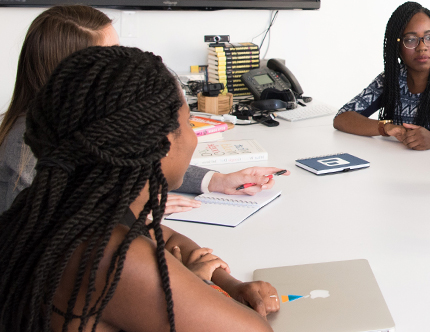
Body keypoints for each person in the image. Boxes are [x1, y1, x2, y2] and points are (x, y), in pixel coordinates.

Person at [0, 46, 275, 331]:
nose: (193, 138)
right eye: (189, 123)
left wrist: (227, 282)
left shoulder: (49, 209)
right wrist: (196, 284)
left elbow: (161, 235)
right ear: (163, 142)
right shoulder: (114, 258)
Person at [0, 5, 287, 214]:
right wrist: (135, 211)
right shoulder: (21, 150)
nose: (124, 65)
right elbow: (32, 236)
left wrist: (216, 180)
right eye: (111, 57)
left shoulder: (89, 123)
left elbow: (140, 160)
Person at [334, 1, 430, 153]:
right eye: (410, 39)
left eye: (429, 37)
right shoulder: (392, 79)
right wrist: (386, 128)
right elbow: (342, 118)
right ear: (397, 46)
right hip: (401, 169)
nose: (422, 47)